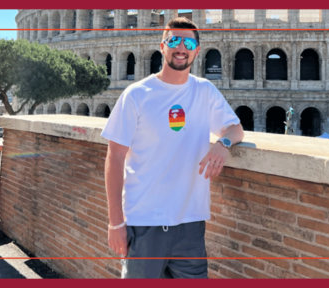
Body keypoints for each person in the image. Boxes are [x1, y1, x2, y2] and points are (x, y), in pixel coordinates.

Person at [101, 17, 245, 279]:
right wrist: (115, 222)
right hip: (144, 223)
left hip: (190, 223)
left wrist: (222, 144)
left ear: (197, 50)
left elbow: (235, 129)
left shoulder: (205, 91)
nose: (182, 47)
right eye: (174, 40)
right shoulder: (137, 94)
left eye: (189, 42)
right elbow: (115, 158)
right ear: (162, 46)